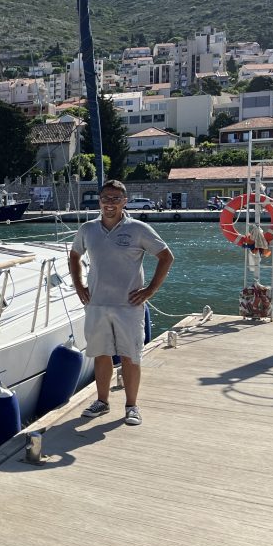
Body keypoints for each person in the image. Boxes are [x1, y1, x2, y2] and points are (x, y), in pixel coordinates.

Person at [68, 179, 174, 426]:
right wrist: (79, 285)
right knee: (101, 355)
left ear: (125, 202)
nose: (110, 203)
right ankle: (102, 402)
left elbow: (166, 257)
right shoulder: (88, 229)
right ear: (100, 201)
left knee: (130, 356)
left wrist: (150, 290)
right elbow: (74, 255)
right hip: (96, 305)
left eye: (116, 199)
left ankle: (131, 406)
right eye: (106, 198)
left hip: (129, 307)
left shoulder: (138, 229)